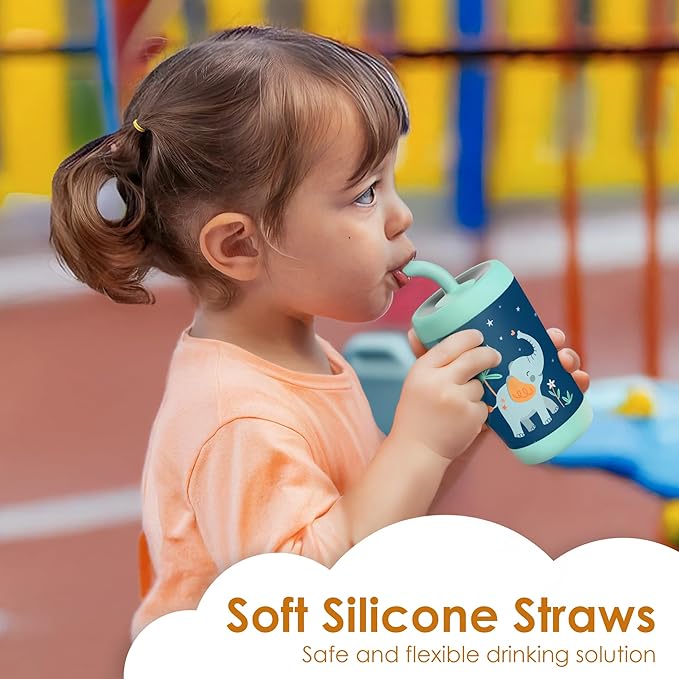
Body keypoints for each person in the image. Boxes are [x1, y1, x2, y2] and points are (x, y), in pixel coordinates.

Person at [49, 26, 589, 639]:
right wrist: (419, 443)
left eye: (388, 182)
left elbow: (369, 519)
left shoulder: (297, 357)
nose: (401, 215)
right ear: (240, 245)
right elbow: (304, 607)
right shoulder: (238, 420)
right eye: (364, 194)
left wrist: (455, 435)